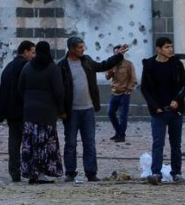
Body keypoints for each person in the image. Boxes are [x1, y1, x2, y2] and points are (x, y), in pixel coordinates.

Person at [57, 36, 127, 182]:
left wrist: (118, 56)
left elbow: (102, 66)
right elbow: (59, 91)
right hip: (71, 111)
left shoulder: (87, 61)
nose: (82, 50)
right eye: (79, 47)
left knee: (89, 142)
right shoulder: (62, 66)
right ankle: (70, 172)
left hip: (88, 109)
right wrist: (61, 110)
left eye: (83, 47)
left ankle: (91, 173)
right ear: (71, 49)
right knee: (70, 143)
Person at [140, 36, 185, 185]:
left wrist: (177, 99)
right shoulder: (149, 65)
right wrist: (155, 107)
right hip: (159, 111)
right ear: (158, 49)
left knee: (176, 144)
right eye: (167, 47)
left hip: (175, 111)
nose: (170, 50)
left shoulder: (176, 64)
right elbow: (145, 89)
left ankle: (177, 172)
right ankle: (156, 173)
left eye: (171, 46)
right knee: (158, 143)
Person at [17, 40, 64, 184]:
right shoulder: (52, 68)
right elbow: (59, 91)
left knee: (31, 142)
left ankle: (32, 172)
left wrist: (28, 100)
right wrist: (60, 108)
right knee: (45, 142)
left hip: (30, 110)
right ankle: (44, 172)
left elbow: (20, 88)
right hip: (47, 111)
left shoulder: (27, 67)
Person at [0, 40, 35, 182]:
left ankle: (14, 171)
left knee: (14, 141)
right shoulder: (26, 67)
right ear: (25, 52)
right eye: (32, 52)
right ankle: (29, 170)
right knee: (28, 142)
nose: (33, 55)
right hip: (23, 110)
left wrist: (1, 113)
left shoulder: (9, 67)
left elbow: (3, 92)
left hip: (11, 111)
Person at [105, 44, 138, 142]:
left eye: (119, 52)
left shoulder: (128, 64)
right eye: (115, 53)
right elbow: (107, 77)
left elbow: (134, 79)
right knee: (110, 112)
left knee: (123, 116)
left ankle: (121, 135)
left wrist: (129, 89)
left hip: (124, 93)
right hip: (114, 92)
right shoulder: (111, 64)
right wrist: (111, 69)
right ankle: (118, 131)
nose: (117, 54)